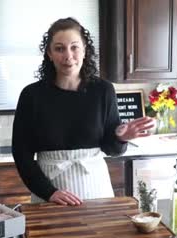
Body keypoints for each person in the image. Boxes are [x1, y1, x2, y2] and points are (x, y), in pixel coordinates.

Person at [12, 17, 154, 206]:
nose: (68, 56)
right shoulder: (31, 95)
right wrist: (49, 192)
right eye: (59, 48)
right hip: (49, 193)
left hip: (95, 188)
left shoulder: (103, 90)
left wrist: (122, 137)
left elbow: (111, 149)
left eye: (74, 47)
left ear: (85, 49)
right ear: (49, 53)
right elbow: (21, 154)